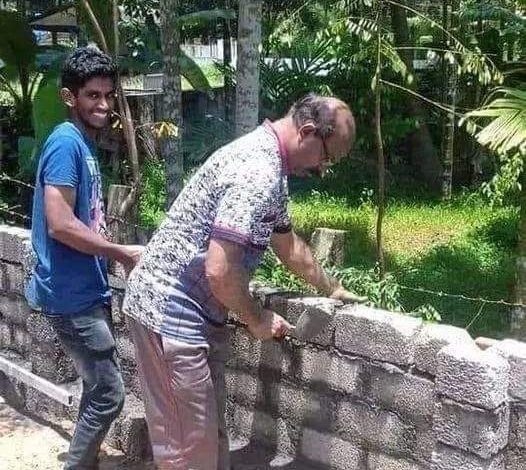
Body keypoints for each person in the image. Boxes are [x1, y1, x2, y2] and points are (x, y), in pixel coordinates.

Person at [123, 93, 365, 470]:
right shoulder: (258, 171)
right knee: (189, 454)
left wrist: (331, 287)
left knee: (211, 442)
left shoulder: (271, 168)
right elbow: (220, 270)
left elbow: (288, 246)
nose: (322, 168)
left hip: (194, 315)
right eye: (326, 157)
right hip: (167, 313)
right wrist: (256, 318)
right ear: (307, 131)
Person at [26, 47, 143, 470]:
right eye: (93, 95)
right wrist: (119, 252)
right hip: (70, 293)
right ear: (68, 97)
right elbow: (59, 224)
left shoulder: (83, 144)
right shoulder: (65, 143)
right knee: (110, 393)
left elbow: (80, 218)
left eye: (109, 96)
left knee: (96, 388)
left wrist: (105, 245)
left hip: (85, 288)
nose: (104, 105)